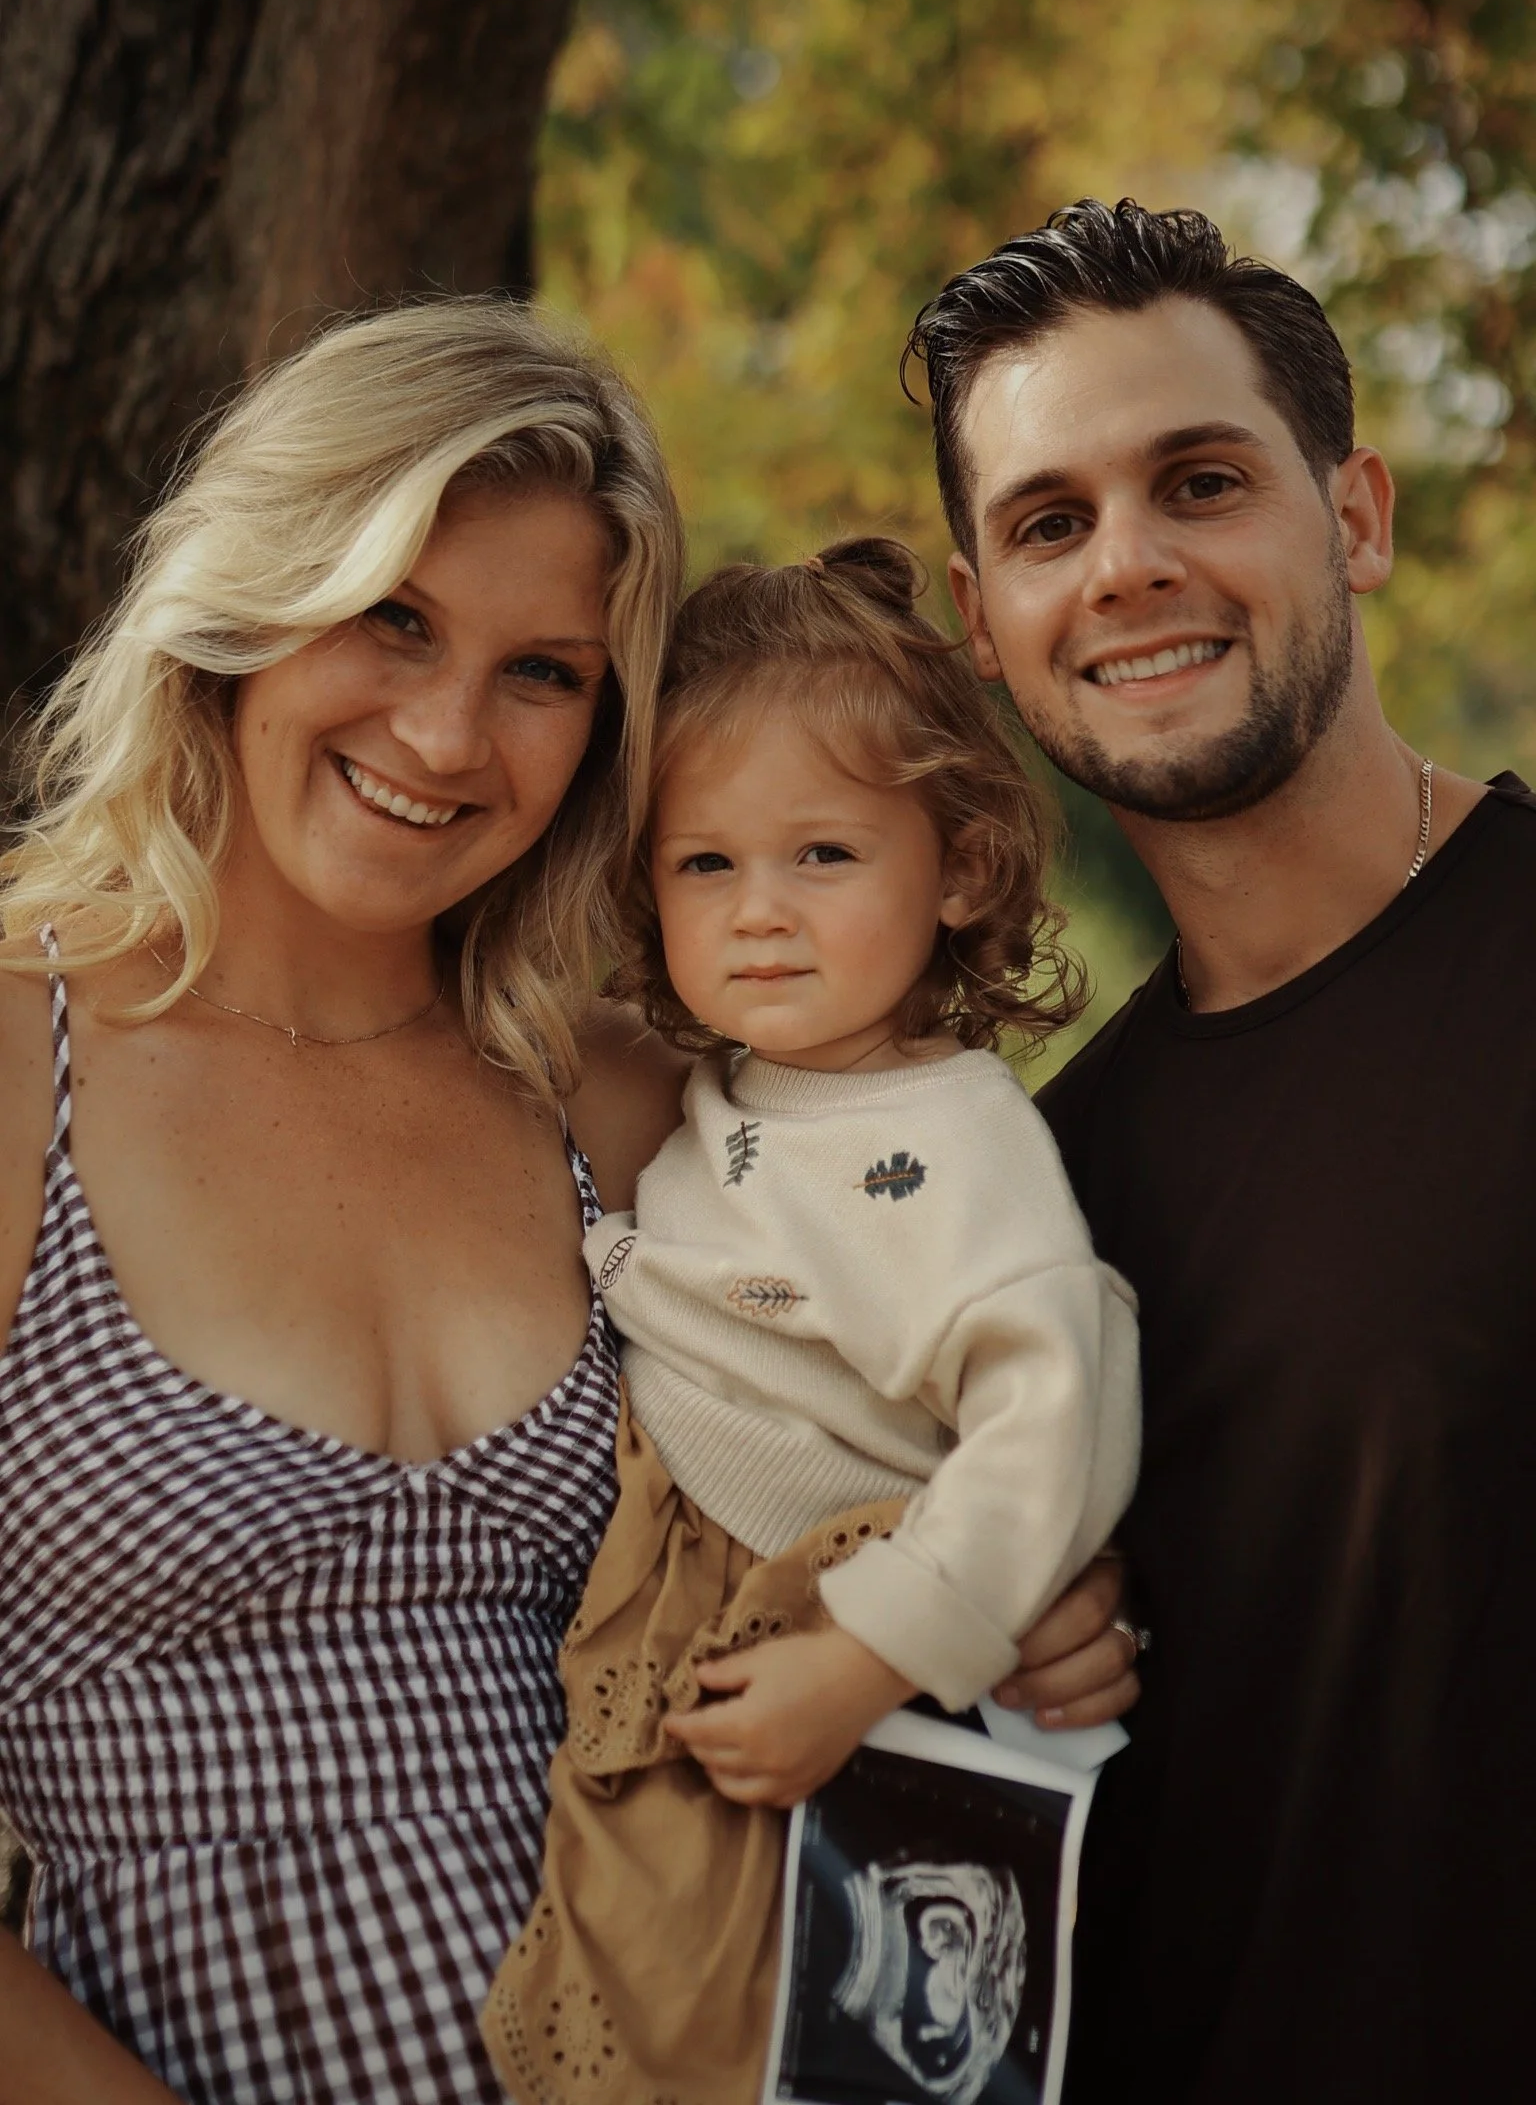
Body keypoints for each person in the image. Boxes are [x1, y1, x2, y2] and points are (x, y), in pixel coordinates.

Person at [0, 301, 1137, 2104]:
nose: (448, 734)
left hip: (681, 2029)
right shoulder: (21, 1068)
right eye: (393, 618)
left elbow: (904, 1410)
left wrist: (1002, 1598)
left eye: (544, 673)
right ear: (244, 602)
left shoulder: (618, 1105)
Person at [907, 196, 1536, 2101]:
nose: (1127, 567)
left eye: (1199, 482)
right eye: (1049, 524)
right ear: (985, 629)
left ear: (1353, 519)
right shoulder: (1029, 1194)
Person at [480, 541, 1140, 2105]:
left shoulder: (953, 1135)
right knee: (625, 1967)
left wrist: (867, 1656)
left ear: (960, 871)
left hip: (811, 1618)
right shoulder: (726, 1092)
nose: (759, 915)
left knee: (751, 2016)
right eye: (705, 866)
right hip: (677, 1594)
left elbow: (1058, 1406)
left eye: (823, 858)